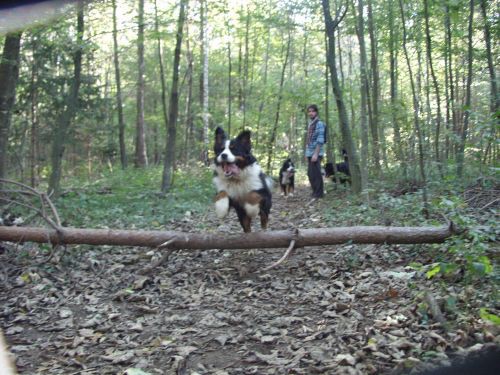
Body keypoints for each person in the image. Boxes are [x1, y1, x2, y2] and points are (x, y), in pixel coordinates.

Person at [305, 104, 325, 201]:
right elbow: (309, 139)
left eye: (312, 111)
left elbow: (320, 139)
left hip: (316, 153)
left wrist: (316, 154)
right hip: (310, 152)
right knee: (310, 173)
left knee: (316, 174)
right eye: (309, 111)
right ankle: (315, 192)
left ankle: (318, 194)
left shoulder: (319, 123)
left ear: (316, 112)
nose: (311, 113)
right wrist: (307, 153)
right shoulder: (311, 123)